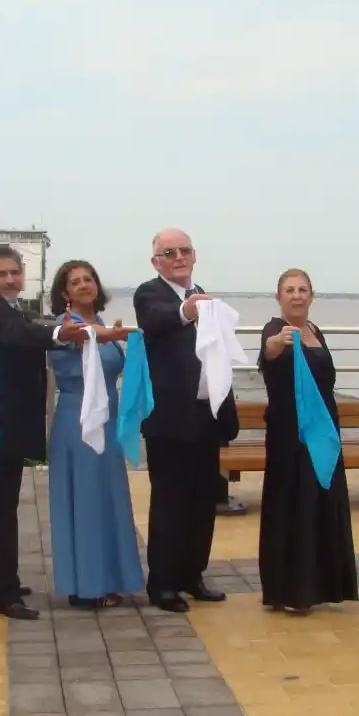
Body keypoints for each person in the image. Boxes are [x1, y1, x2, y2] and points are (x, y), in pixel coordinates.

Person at [0, 246, 95, 620]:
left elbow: (22, 332)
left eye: (15, 273)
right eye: (2, 274)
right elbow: (19, 337)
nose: (10, 279)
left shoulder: (11, 310)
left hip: (6, 424)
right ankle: (4, 595)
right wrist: (61, 334)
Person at [134, 228, 239, 613]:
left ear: (194, 256)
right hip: (169, 420)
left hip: (205, 416)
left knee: (201, 501)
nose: (178, 257)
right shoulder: (150, 294)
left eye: (184, 251)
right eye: (169, 252)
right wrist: (187, 310)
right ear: (156, 261)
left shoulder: (204, 294)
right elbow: (156, 321)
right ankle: (162, 584)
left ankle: (193, 575)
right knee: (169, 502)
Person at [257, 269, 359, 614]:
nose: (296, 295)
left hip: (324, 431)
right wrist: (275, 346)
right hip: (290, 436)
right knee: (292, 506)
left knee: (322, 503)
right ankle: (291, 589)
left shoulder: (315, 332)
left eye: (302, 290)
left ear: (311, 296)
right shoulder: (275, 331)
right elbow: (268, 354)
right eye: (289, 290)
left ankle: (324, 584)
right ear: (279, 297)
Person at [47, 260, 144, 608]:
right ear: (65, 292)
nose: (84, 285)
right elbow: (83, 340)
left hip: (110, 420)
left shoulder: (101, 322)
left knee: (107, 498)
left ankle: (110, 577)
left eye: (89, 279)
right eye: (76, 281)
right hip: (79, 422)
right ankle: (86, 585)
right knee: (85, 500)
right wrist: (115, 336)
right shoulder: (67, 325)